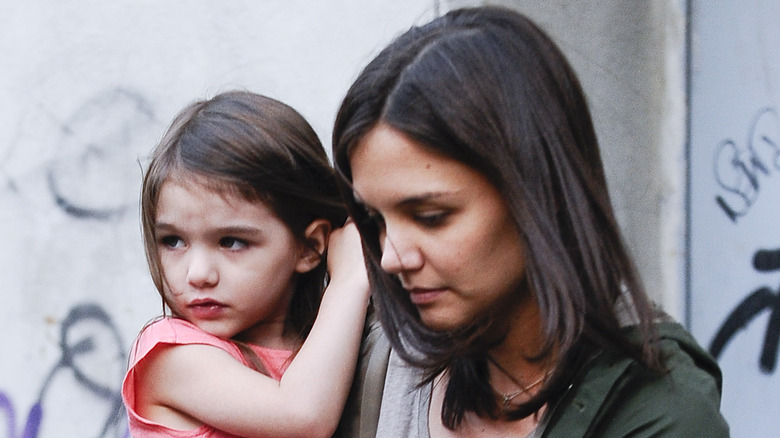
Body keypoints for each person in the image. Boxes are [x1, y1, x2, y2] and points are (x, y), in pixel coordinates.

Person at [331, 7, 729, 438]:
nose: (391, 257)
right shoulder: (369, 364)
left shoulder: (657, 412)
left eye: (431, 217)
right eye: (375, 220)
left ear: (539, 193)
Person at [121, 90, 370, 438]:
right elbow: (301, 417)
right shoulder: (169, 354)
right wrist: (350, 279)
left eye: (232, 242)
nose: (197, 274)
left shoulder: (330, 344)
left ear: (309, 248)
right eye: (173, 241)